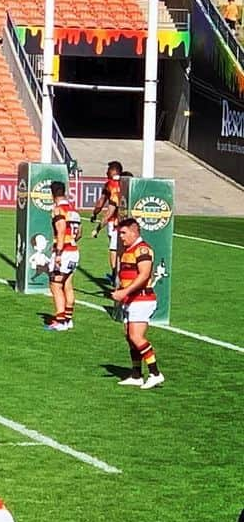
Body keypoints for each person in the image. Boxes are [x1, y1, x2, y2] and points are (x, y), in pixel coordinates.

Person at [111, 216, 165, 389]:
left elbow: (144, 275)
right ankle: (136, 374)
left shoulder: (142, 250)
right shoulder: (129, 249)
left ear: (134, 232)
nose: (121, 237)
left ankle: (155, 373)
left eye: (124, 233)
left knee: (136, 336)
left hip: (142, 299)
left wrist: (124, 292)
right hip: (131, 299)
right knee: (130, 337)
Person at [45, 179, 81, 331]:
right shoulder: (73, 210)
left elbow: (60, 231)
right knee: (68, 285)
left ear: (52, 194)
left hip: (64, 251)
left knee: (55, 285)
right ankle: (68, 319)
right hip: (74, 250)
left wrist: (58, 253)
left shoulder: (58, 210)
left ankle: (60, 321)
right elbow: (79, 233)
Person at [91, 159, 124, 283]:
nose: (106, 172)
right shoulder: (127, 181)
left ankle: (116, 275)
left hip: (115, 223)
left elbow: (102, 203)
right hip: (130, 223)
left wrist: (95, 216)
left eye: (108, 170)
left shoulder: (110, 184)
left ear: (113, 171)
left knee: (114, 249)